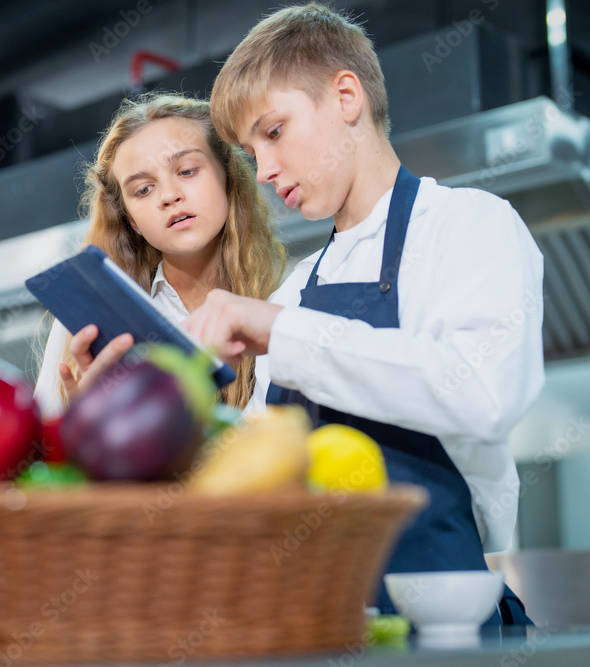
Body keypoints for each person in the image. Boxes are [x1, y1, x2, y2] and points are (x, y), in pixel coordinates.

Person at [184, 3, 545, 624]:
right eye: (250, 152)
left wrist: (282, 331)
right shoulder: (294, 290)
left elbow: (481, 391)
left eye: (273, 132)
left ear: (346, 96)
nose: (264, 170)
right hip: (312, 622)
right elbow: (251, 471)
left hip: (444, 620)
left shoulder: (468, 225)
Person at [34, 93, 285, 415]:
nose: (169, 195)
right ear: (131, 221)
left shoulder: (288, 300)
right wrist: (83, 426)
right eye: (143, 189)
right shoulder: (87, 328)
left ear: (227, 176)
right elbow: (40, 455)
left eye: (187, 170)